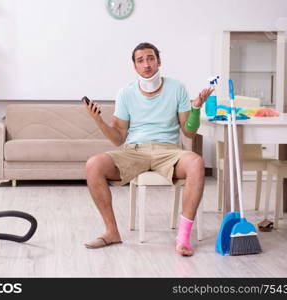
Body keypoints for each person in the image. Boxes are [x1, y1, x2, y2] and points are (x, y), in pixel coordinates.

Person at [83, 42, 213, 256]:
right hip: (135, 150)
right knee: (93, 164)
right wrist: (99, 121)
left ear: (159, 61)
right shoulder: (126, 93)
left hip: (168, 151)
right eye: (140, 60)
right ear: (135, 67)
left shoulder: (177, 88)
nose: (146, 64)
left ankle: (183, 239)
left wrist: (196, 107)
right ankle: (112, 231)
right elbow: (118, 139)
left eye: (151, 58)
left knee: (197, 162)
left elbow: (188, 132)